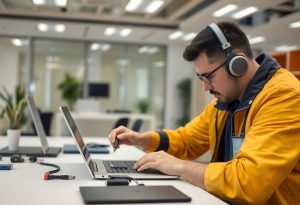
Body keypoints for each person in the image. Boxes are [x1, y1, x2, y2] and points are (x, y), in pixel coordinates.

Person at [108, 21, 300, 205]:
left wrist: (181, 167)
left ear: (237, 64)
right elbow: (187, 141)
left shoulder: (284, 96)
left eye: (209, 76)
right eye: (201, 77)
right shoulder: (225, 102)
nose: (205, 87)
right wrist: (143, 139)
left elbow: (249, 181)